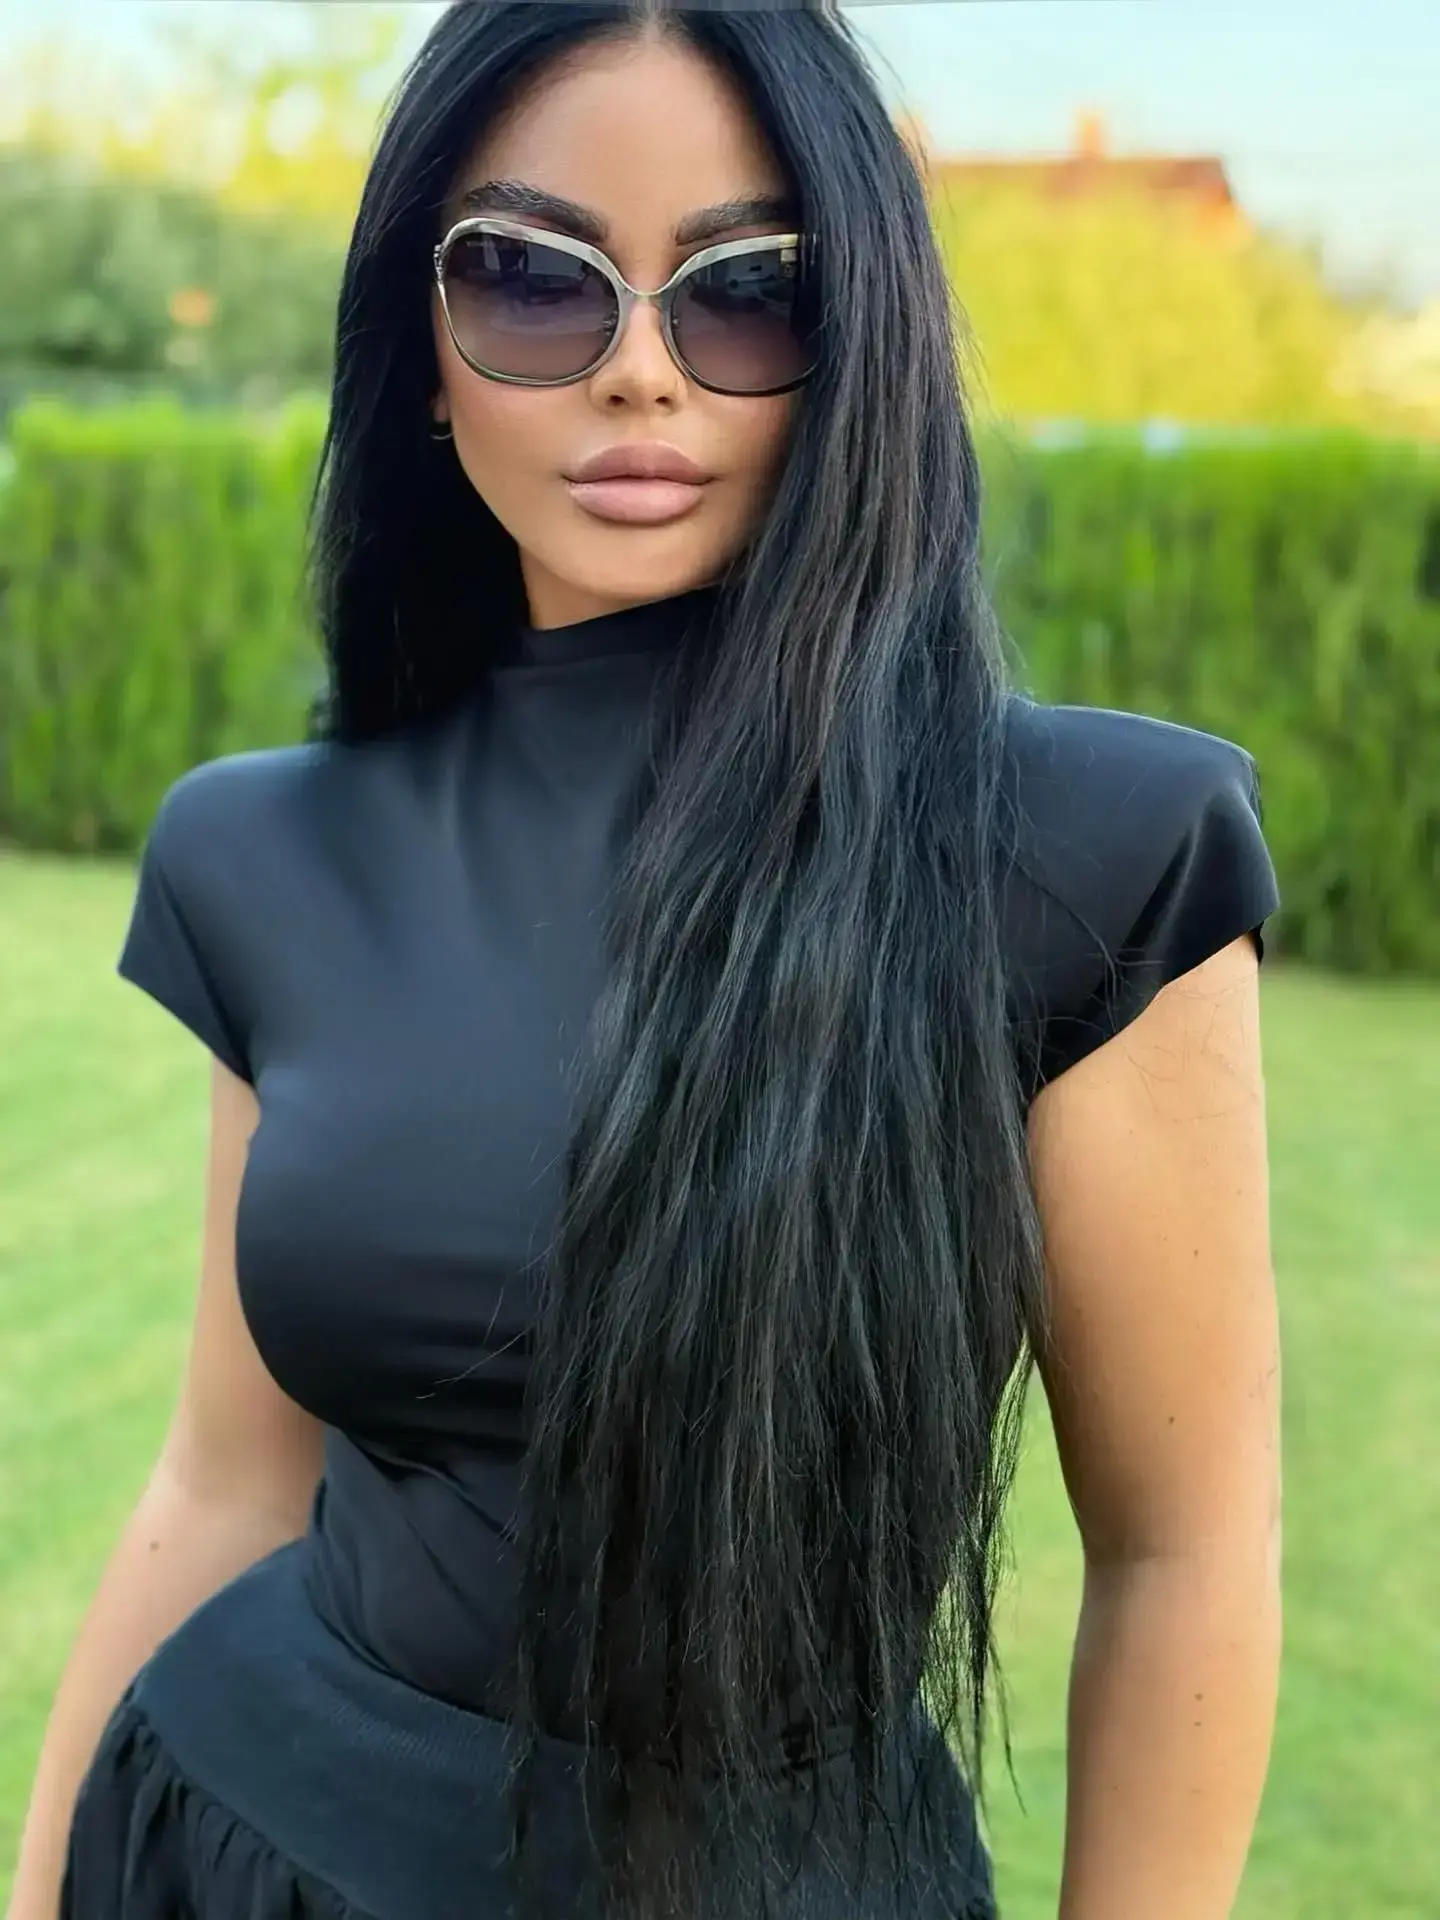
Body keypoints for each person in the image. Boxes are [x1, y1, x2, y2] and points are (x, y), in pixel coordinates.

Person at [7, 3, 1285, 1917]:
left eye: (748, 290)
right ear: (421, 354)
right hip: (227, 1842)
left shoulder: (1094, 856)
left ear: (863, 344)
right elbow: (227, 1478)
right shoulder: (262, 850)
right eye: (533, 281)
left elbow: (1187, 1552)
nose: (637, 371)